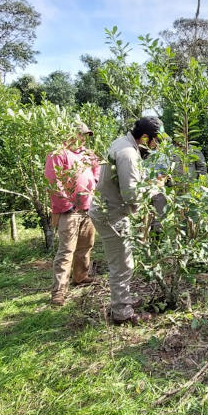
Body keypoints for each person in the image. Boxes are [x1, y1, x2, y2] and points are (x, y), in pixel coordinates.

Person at [89, 116, 162, 325]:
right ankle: (122, 312)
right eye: (155, 140)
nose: (156, 145)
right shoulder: (128, 154)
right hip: (112, 214)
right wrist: (155, 187)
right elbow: (132, 195)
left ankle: (125, 299)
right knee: (122, 263)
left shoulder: (121, 143)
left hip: (109, 210)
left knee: (124, 260)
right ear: (145, 137)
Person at [44, 122, 100, 306]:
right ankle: (58, 291)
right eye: (80, 134)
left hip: (87, 207)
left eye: (84, 135)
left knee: (86, 246)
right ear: (69, 134)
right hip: (69, 211)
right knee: (66, 250)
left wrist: (95, 187)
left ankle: (81, 276)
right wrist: (67, 206)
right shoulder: (58, 154)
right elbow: (53, 181)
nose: (82, 138)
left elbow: (96, 170)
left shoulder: (87, 154)